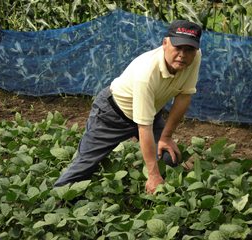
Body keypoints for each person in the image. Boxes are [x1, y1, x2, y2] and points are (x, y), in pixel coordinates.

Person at [54, 20, 202, 194]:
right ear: (165, 43)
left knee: (169, 157)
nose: (183, 55)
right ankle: (57, 199)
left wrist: (166, 136)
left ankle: (160, 196)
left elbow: (184, 96)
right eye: (178, 48)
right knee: (84, 166)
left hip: (150, 114)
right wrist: (153, 175)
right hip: (111, 115)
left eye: (189, 49)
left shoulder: (194, 58)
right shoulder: (146, 73)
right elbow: (143, 127)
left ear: (196, 49)